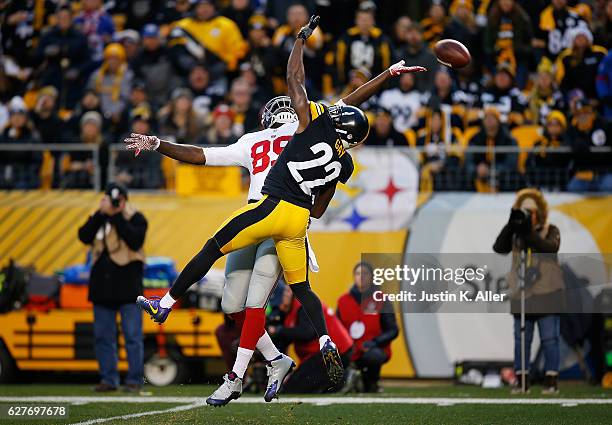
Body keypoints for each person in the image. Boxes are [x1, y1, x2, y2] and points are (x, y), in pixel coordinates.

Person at [127, 15, 424, 406]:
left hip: (266, 211)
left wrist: (158, 143)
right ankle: (279, 357)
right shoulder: (334, 146)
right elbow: (348, 110)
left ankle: (228, 370)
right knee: (240, 304)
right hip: (294, 220)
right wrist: (386, 74)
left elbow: (202, 155)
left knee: (234, 280)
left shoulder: (295, 126)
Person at [77, 183, 147, 393]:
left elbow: (135, 241)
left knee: (133, 337)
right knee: (103, 337)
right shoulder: (98, 217)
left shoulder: (136, 218)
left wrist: (116, 215)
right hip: (102, 287)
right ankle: (108, 380)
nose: (115, 203)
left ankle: (134, 380)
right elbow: (83, 236)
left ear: (125, 201)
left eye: (118, 200)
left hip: (129, 287)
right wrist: (100, 214)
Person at [493, 188, 562, 394]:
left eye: (531, 212)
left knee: (550, 338)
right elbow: (499, 247)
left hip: (547, 292)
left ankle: (551, 380)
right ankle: (521, 379)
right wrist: (510, 224)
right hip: (521, 293)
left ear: (539, 212)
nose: (527, 215)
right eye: (523, 211)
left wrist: (528, 231)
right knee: (521, 338)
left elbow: (549, 248)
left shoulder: (550, 229)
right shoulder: (515, 233)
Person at [270, 284, 354, 394]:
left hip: (336, 352)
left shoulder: (301, 306)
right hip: (326, 352)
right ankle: (337, 381)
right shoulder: (294, 307)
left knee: (294, 388)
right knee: (294, 385)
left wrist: (279, 331)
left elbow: (307, 333)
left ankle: (344, 378)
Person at [337, 262, 398, 393]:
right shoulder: (343, 301)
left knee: (373, 356)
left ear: (371, 277)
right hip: (349, 349)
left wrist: (375, 342)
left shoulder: (382, 299)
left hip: (372, 349)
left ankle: (371, 381)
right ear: (354, 277)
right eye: (358, 273)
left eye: (365, 273)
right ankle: (349, 380)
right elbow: (337, 328)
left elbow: (393, 330)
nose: (361, 277)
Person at [555, 27, 607, 102]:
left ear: (588, 39)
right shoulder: (566, 57)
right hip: (576, 96)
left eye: (583, 37)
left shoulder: (599, 53)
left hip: (598, 94)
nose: (580, 39)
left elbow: (606, 72)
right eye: (577, 37)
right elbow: (561, 78)